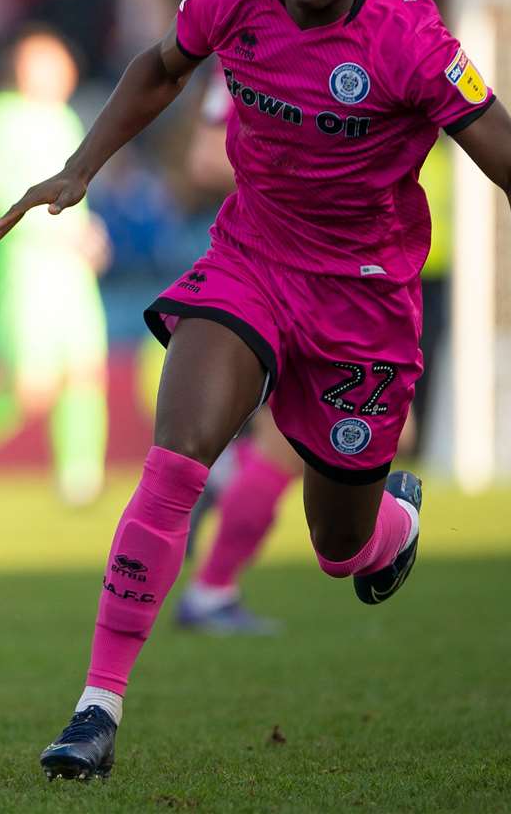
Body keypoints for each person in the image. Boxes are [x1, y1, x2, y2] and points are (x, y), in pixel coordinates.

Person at [0, 0, 511, 780]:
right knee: (176, 459)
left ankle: (390, 522)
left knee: (338, 548)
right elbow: (160, 70)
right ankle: (96, 707)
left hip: (365, 301)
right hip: (251, 262)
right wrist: (83, 166)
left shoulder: (412, 42)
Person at [0, 29, 110, 504]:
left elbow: (79, 193)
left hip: (70, 268)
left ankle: (80, 479)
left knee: (83, 370)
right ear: (24, 68)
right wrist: (64, 232)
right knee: (29, 383)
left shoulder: (66, 120)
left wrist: (89, 235)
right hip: (24, 267)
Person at [172, 72, 302, 635]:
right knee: (291, 440)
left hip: (329, 269)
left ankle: (222, 477)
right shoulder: (242, 59)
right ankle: (211, 589)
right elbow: (205, 160)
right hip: (278, 269)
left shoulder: (334, 47)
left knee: (392, 431)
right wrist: (311, 174)